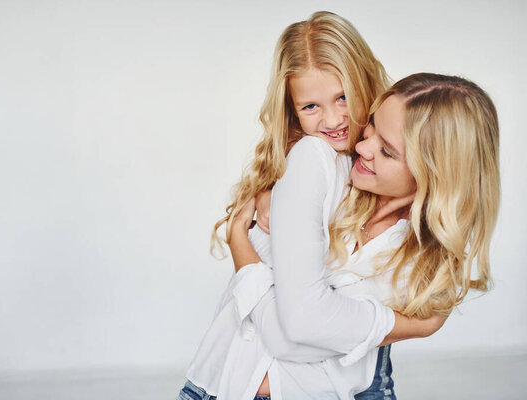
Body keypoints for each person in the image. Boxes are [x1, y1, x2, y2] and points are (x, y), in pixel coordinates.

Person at [177, 12, 451, 400]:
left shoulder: (404, 182)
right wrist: (241, 243)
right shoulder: (309, 160)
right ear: (292, 110)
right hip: (237, 381)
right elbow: (297, 330)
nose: (335, 120)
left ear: (364, 85)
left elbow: (320, 326)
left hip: (350, 382)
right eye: (311, 107)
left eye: (343, 97)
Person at [225, 72, 499, 399]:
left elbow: (291, 336)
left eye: (387, 152)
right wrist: (270, 192)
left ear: (435, 177)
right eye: (371, 127)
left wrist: (239, 245)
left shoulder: (421, 266)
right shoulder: (330, 169)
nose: (361, 146)